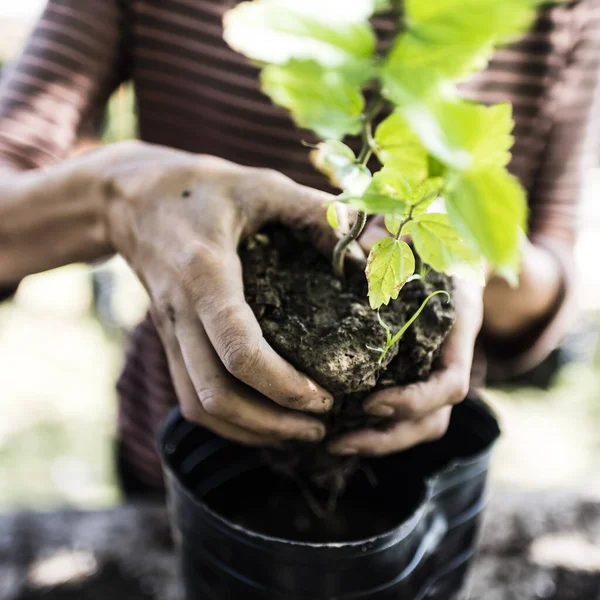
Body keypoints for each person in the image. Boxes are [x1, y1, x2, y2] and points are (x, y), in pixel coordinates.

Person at [0, 0, 598, 497]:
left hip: (416, 479)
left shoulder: (562, 11)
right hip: (187, 458)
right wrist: (119, 194)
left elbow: (548, 275)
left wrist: (472, 245)